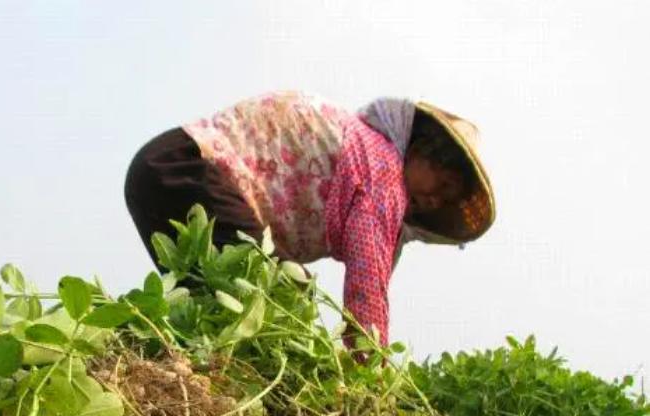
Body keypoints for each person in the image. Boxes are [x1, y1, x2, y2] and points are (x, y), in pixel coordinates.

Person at [124, 92, 495, 345]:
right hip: (191, 169)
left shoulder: (369, 160)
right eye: (442, 184)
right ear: (423, 151)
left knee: (218, 315)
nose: (434, 200)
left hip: (162, 170)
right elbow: (367, 288)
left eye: (444, 200)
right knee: (286, 297)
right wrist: (369, 375)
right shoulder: (382, 171)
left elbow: (378, 272)